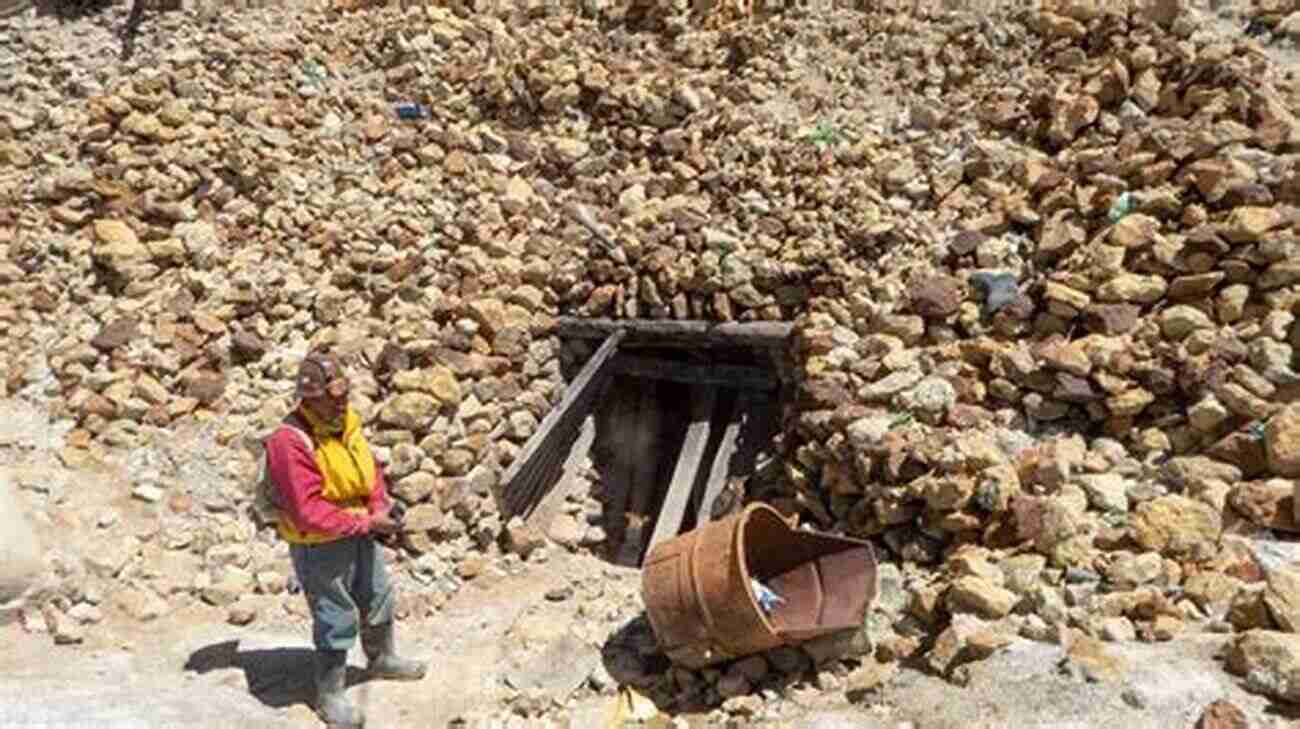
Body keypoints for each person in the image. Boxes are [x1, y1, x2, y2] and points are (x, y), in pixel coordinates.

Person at [266, 349, 426, 728]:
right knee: (335, 613)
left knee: (377, 595)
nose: (342, 404)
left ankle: (382, 658)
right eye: (333, 398)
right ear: (310, 397)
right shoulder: (289, 443)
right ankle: (330, 694)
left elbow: (367, 470)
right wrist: (368, 523)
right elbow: (308, 511)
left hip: (360, 528)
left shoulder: (345, 424)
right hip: (318, 542)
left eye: (344, 396)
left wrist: (380, 507)